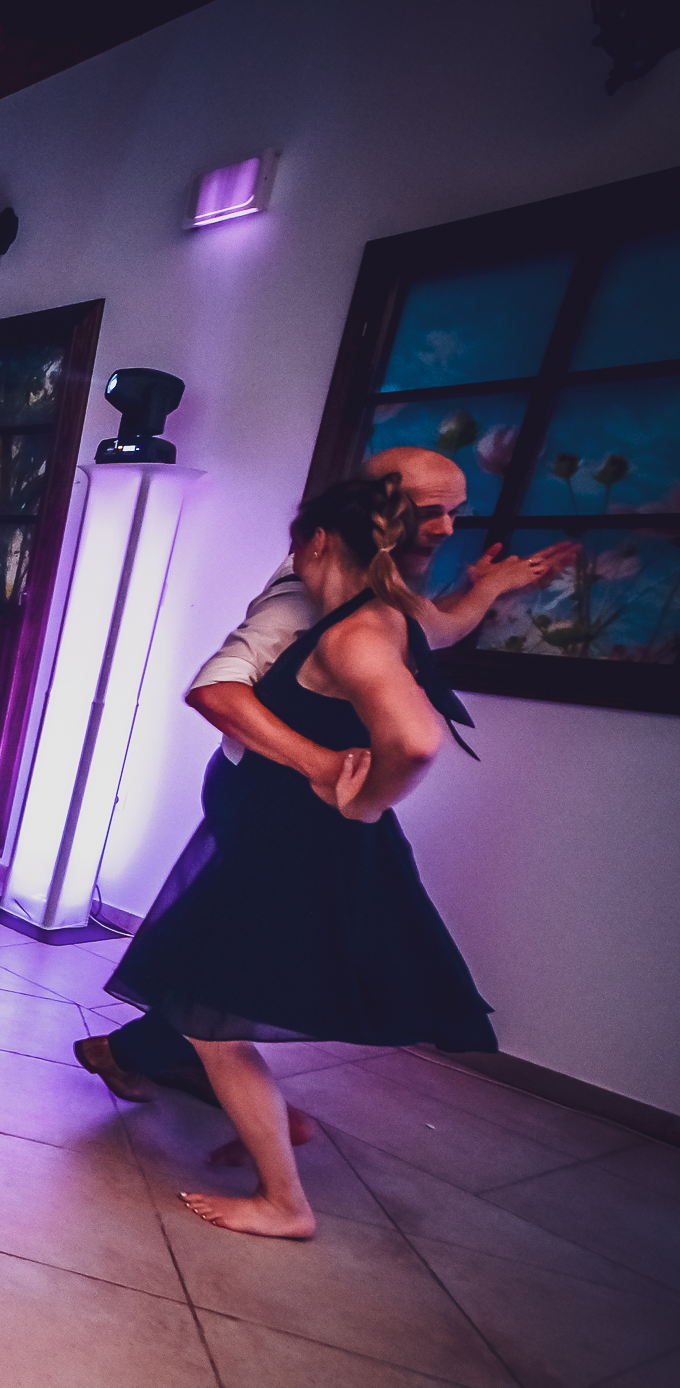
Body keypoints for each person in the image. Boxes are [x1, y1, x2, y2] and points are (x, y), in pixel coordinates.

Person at [76, 445, 571, 1158]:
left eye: (456, 513)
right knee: (236, 947)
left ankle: (147, 1055)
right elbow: (216, 689)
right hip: (268, 802)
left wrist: (487, 587)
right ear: (375, 511)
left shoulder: (377, 585)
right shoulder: (300, 595)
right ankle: (197, 1075)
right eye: (429, 511)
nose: (444, 528)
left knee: (231, 945)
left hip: (308, 808)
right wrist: (327, 768)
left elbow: (429, 630)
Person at [105, 474, 497, 1239]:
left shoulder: (354, 631)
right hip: (276, 839)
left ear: (316, 542)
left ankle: (284, 1202)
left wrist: (360, 797)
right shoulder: (375, 618)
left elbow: (418, 739)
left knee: (213, 1022)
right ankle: (265, 1134)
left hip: (293, 849)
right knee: (213, 1002)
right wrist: (490, 589)